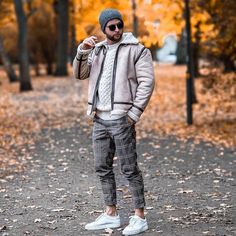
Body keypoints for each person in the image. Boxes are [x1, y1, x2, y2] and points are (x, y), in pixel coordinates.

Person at [73, 8, 155, 235]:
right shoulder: (97, 50)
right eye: (112, 27)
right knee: (102, 167)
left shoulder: (137, 50)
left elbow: (147, 83)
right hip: (99, 119)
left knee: (129, 168)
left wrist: (133, 115)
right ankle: (111, 214)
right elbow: (80, 74)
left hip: (122, 120)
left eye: (120, 25)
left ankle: (140, 217)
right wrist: (82, 51)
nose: (117, 30)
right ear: (103, 29)